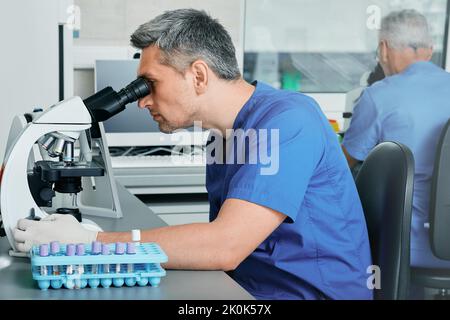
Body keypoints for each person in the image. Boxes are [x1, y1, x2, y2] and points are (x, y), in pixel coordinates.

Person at [14, 9, 372, 300]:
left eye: (150, 84)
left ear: (199, 75)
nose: (142, 100)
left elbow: (224, 246)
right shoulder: (219, 135)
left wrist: (91, 242)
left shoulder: (288, 121)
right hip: (245, 288)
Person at [342, 9, 450, 270]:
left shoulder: (379, 96)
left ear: (383, 48)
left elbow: (339, 168)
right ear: (431, 48)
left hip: (403, 249)